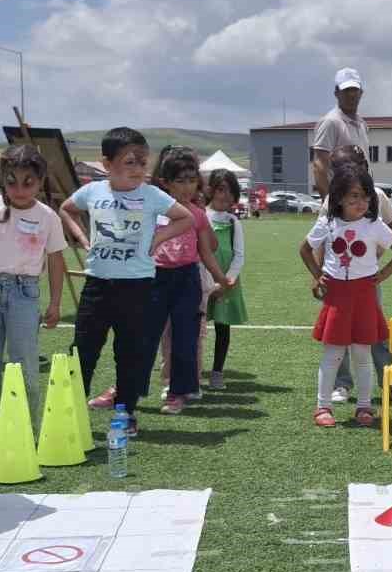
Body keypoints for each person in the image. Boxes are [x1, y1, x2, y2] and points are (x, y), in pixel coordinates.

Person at [58, 127, 193, 435]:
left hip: (137, 287)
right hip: (97, 285)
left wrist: (158, 239)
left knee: (131, 352)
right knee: (83, 350)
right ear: (107, 164)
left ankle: (127, 413)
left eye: (143, 162)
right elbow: (66, 209)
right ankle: (71, 412)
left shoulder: (152, 195)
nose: (138, 169)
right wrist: (81, 238)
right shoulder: (92, 192)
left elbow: (185, 218)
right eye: (130, 162)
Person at [0, 145, 67, 454]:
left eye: (28, 182)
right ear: (2, 179)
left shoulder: (48, 217)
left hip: (25, 293)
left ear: (41, 181)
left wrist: (55, 303)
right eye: (12, 181)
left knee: (25, 364)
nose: (19, 189)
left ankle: (25, 429)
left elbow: (56, 261)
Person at [302, 164, 392, 428]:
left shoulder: (375, 224)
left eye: (365, 195)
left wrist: (382, 275)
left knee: (363, 354)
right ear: (338, 198)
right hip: (337, 296)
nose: (361, 202)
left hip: (364, 295)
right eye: (354, 196)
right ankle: (323, 407)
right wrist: (318, 275)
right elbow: (305, 249)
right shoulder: (327, 222)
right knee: (333, 354)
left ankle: (364, 407)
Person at [146, 147, 233, 414]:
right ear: (165, 182)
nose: (186, 187)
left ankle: (179, 392)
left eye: (191, 180)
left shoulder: (196, 214)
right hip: (155, 279)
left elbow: (206, 250)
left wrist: (222, 279)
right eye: (179, 181)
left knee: (186, 337)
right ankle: (127, 388)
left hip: (187, 280)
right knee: (147, 337)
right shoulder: (154, 210)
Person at [204, 169, 249, 390]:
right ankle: (191, 371)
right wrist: (207, 282)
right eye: (221, 189)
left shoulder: (233, 222)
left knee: (223, 327)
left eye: (231, 191)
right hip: (202, 281)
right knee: (195, 327)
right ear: (210, 190)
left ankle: (217, 372)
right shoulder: (200, 216)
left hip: (226, 284)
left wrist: (226, 280)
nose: (225, 196)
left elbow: (239, 254)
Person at [310, 68, 370, 199]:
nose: (351, 94)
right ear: (336, 92)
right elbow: (319, 166)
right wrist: (328, 202)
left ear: (361, 92)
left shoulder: (362, 124)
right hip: (341, 199)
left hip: (360, 198)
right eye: (346, 90)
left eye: (354, 90)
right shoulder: (331, 122)